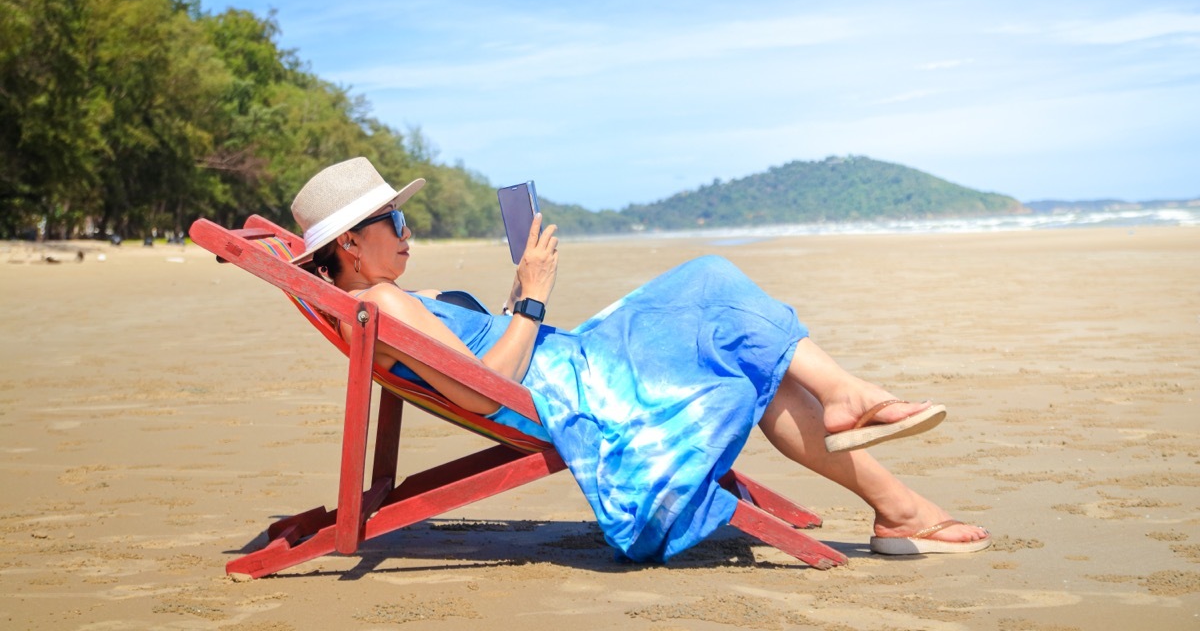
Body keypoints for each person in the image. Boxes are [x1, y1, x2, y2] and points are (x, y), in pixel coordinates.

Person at [291, 158, 990, 562]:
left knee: (751, 353)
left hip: (564, 360)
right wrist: (532, 300)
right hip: (576, 384)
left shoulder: (390, 298)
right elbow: (481, 394)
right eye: (397, 223)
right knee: (713, 280)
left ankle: (893, 499)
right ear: (350, 245)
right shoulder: (381, 302)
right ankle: (859, 425)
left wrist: (519, 295)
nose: (408, 235)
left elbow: (475, 361)